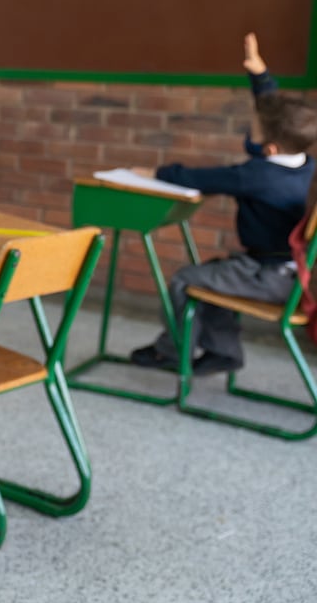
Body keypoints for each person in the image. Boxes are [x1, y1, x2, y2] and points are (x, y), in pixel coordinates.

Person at [130, 33, 317, 374]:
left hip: (266, 276)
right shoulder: (306, 165)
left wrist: (153, 172)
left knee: (186, 279)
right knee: (215, 275)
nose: (250, 130)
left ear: (270, 148)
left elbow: (199, 178)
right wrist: (260, 76)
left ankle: (171, 352)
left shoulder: (256, 175)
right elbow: (278, 117)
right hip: (292, 275)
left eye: (254, 129)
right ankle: (223, 353)